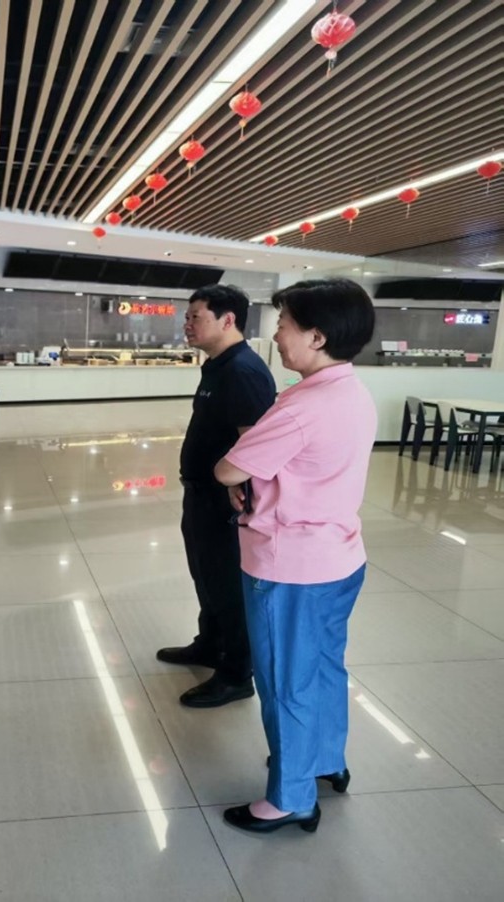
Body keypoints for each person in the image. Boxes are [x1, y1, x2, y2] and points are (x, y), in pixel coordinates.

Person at [214, 278, 377, 834]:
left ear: (317, 336)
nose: (277, 336)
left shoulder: (302, 405)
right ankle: (324, 760)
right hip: (340, 556)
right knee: (324, 666)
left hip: (290, 566)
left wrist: (242, 477)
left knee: (285, 680)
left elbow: (228, 469)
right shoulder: (352, 392)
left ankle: (290, 797)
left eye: (283, 325)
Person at [157, 284, 276, 707]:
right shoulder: (218, 365)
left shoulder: (242, 371)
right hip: (202, 494)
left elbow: (256, 444)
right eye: (187, 317)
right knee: (205, 576)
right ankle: (210, 643)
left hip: (225, 501)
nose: (187, 325)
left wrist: (239, 492)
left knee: (226, 585)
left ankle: (236, 673)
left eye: (196, 317)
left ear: (228, 320)